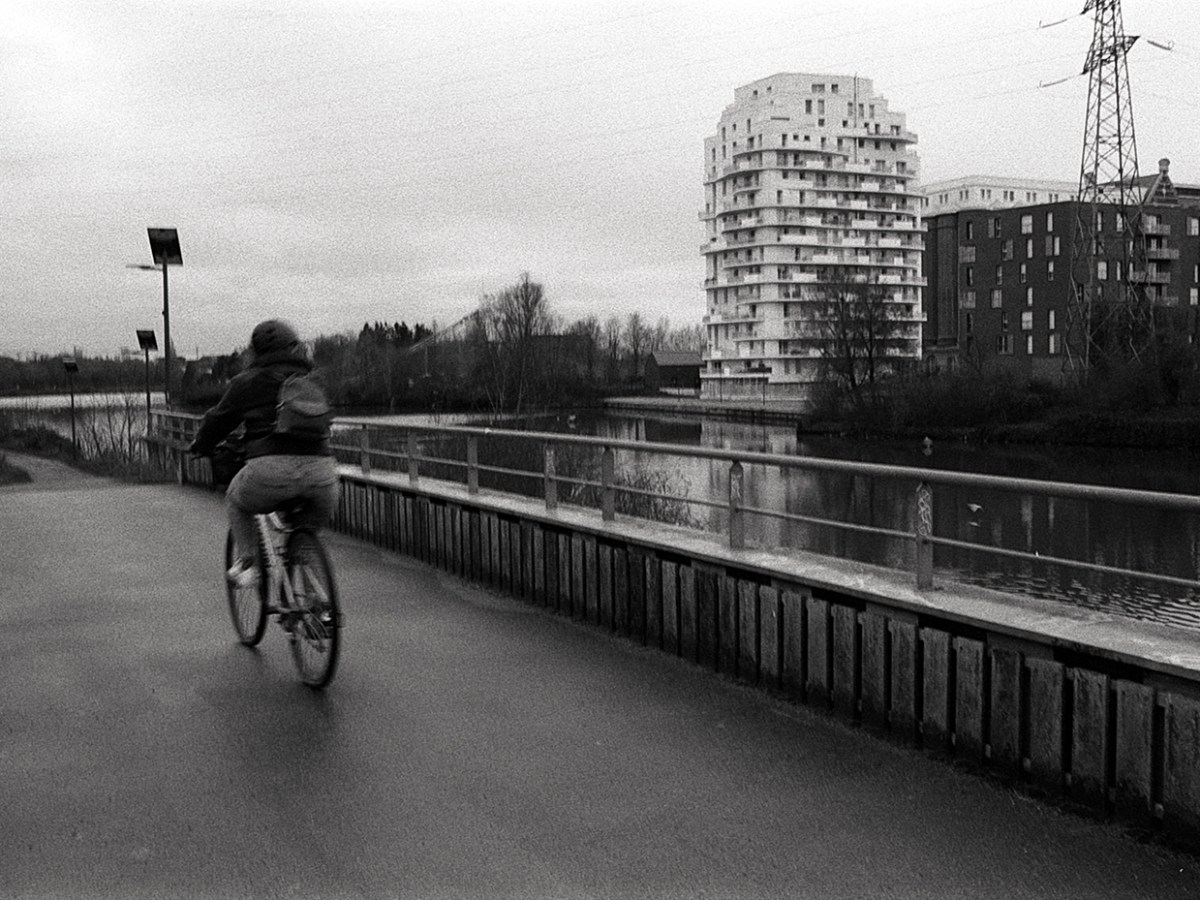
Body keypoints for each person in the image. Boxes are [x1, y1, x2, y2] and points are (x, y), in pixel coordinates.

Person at [188, 319, 339, 586]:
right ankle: (319, 614)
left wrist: (201, 445)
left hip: (270, 473)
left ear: (255, 351)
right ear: (295, 348)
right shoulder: (313, 380)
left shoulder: (246, 382)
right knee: (305, 541)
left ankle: (251, 564)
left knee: (235, 499)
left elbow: (218, 420)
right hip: (324, 476)